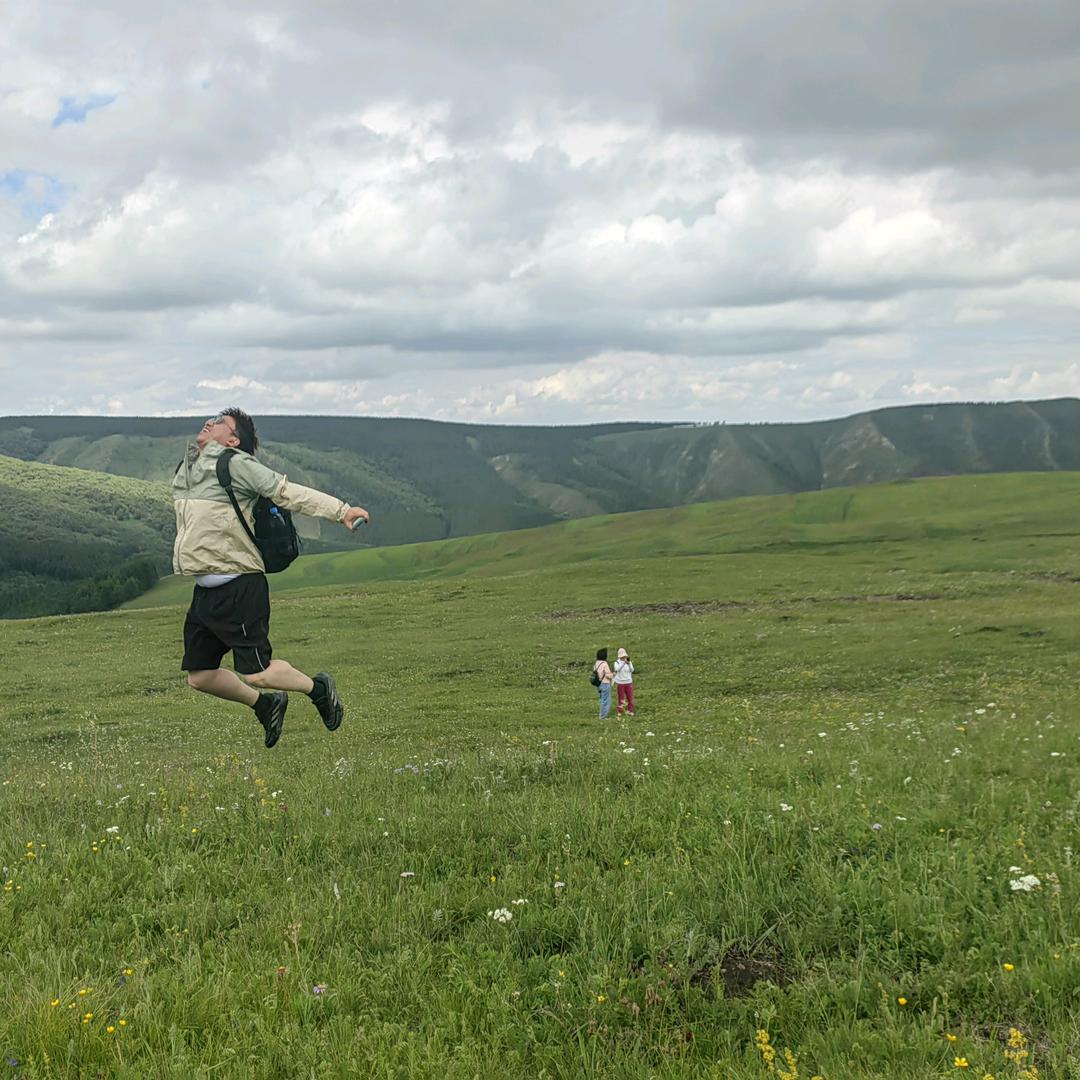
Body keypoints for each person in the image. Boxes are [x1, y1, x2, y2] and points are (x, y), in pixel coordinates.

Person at [172, 408, 369, 748]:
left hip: (239, 587)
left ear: (233, 440)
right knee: (200, 676)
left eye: (220, 422)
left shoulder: (236, 464)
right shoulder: (189, 469)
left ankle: (318, 689)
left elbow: (287, 492)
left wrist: (342, 511)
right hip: (205, 592)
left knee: (257, 672)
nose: (210, 421)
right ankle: (266, 705)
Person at [593, 647, 614, 719]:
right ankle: (603, 716)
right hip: (605, 683)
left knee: (602, 699)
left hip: (598, 684)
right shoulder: (604, 663)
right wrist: (613, 674)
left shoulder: (596, 663)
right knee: (606, 700)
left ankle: (601, 714)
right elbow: (608, 675)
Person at [613, 647, 635, 717]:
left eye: (624, 656)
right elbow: (617, 669)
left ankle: (630, 710)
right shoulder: (616, 662)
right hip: (620, 683)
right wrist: (623, 664)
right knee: (621, 698)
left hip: (628, 682)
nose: (624, 657)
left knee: (630, 697)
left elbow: (632, 670)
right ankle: (620, 711)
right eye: (622, 656)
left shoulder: (629, 662)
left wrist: (628, 664)